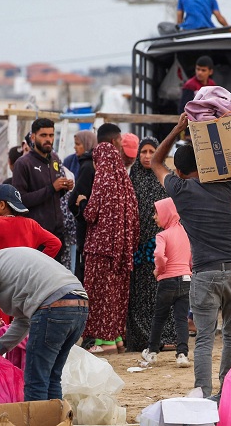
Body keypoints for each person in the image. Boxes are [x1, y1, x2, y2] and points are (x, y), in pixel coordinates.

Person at [151, 113, 231, 400]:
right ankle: (227, 393)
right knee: (230, 334)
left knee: (203, 338)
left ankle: (202, 395)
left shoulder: (179, 189)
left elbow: (155, 161)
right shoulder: (227, 184)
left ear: (178, 170)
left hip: (205, 273)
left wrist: (178, 128)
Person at [0, 246, 88, 401]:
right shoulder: (1, 259)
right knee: (51, 378)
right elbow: (23, 320)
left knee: (36, 381)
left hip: (53, 307)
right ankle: (57, 421)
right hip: (79, 305)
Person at [77, 142, 139, 354]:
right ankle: (118, 338)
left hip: (100, 249)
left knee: (99, 296)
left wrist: (82, 201)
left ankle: (104, 342)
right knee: (116, 295)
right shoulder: (126, 183)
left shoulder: (102, 180)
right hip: (122, 251)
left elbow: (90, 214)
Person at [127, 137, 177, 353]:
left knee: (164, 289)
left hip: (164, 243)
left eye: (152, 151)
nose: (147, 156)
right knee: (140, 291)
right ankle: (142, 338)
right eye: (144, 151)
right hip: (140, 245)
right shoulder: (132, 177)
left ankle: (167, 336)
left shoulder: (166, 176)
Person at [69, 122, 124, 283]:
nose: (75, 148)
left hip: (100, 245)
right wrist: (86, 214)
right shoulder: (92, 168)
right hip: (93, 244)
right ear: (113, 142)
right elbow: (74, 202)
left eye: (78, 144)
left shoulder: (105, 168)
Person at [12, 118, 74, 260]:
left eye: (51, 135)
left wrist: (64, 188)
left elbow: (54, 195)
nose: (48, 139)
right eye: (43, 135)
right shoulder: (23, 164)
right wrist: (52, 188)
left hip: (56, 234)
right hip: (34, 236)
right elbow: (20, 200)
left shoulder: (55, 159)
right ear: (33, 137)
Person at [142, 197, 192, 368]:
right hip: (186, 279)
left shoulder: (162, 235)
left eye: (156, 213)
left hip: (167, 280)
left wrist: (159, 270)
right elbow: (191, 256)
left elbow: (159, 255)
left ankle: (152, 352)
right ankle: (182, 354)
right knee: (181, 319)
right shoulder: (186, 232)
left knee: (159, 318)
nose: (154, 217)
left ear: (165, 213)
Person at [0, 184, 62, 258]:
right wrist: (39, 263)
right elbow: (55, 243)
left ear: (2, 205)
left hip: (2, 280)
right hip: (28, 279)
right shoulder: (31, 224)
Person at [60, 131, 96, 271]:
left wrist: (79, 210)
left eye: (78, 144)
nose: (75, 148)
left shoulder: (87, 166)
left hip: (84, 225)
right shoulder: (72, 161)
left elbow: (75, 198)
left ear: (87, 144)